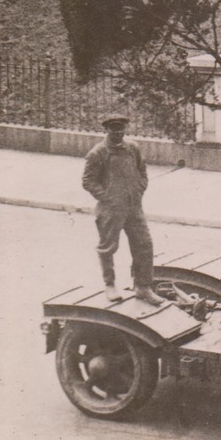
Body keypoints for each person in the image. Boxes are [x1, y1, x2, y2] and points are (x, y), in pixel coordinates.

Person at [82, 113, 161, 305]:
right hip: (111, 210)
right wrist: (107, 197)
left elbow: (142, 169)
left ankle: (143, 288)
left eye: (121, 128)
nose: (118, 132)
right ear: (106, 129)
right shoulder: (98, 153)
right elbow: (88, 180)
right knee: (108, 248)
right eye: (113, 128)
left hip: (134, 207)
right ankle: (110, 285)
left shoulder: (132, 148)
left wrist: (140, 188)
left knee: (144, 245)